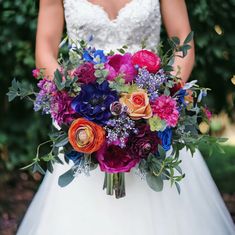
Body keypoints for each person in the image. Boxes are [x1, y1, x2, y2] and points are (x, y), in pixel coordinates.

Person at [17, 0, 235, 234]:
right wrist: (74, 96)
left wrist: (160, 97)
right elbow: (44, 51)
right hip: (86, 115)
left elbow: (184, 40)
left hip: (151, 118)